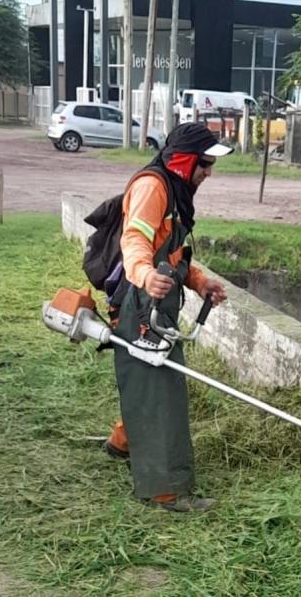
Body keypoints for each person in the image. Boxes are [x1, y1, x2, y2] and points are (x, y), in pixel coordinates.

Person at [101, 123, 230, 513]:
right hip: (141, 301)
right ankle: (165, 490)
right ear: (183, 161)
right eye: (204, 164)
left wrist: (200, 282)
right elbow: (135, 240)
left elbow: (173, 254)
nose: (209, 172)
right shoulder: (153, 187)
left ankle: (123, 442)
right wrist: (144, 275)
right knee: (162, 389)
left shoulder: (177, 193)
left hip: (158, 299)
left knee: (149, 381)